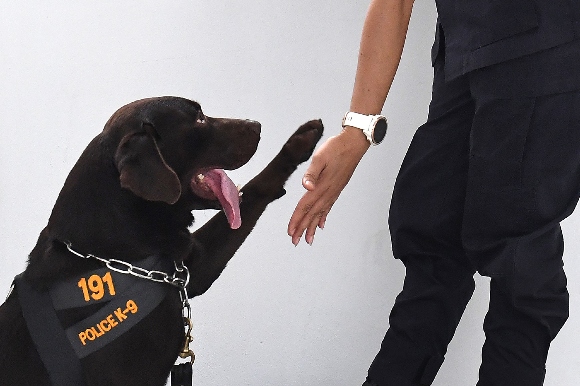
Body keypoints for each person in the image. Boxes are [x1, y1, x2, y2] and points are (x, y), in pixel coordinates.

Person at [288, 0, 580, 385]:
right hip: (462, 60)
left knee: (522, 265)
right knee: (433, 238)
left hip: (547, 49)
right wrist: (357, 128)